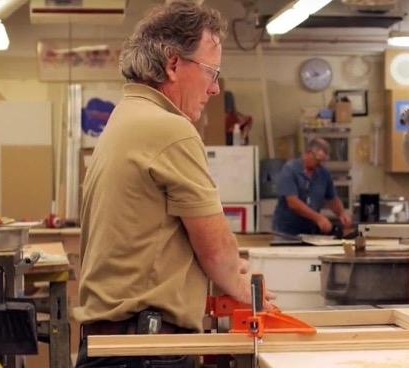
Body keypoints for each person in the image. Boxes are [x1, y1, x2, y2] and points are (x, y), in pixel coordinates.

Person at [73, 3, 267, 367]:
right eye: (211, 72)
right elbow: (216, 252)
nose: (214, 89)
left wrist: (225, 272)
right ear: (173, 63)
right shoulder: (170, 128)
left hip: (118, 346)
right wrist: (246, 288)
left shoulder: (126, 117)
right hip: (144, 353)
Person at [272, 138, 352, 237]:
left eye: (322, 161)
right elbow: (293, 202)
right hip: (286, 232)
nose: (320, 164)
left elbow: (332, 199)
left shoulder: (323, 174)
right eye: (318, 160)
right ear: (308, 153)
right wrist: (318, 218)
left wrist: (341, 213)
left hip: (310, 232)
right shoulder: (290, 170)